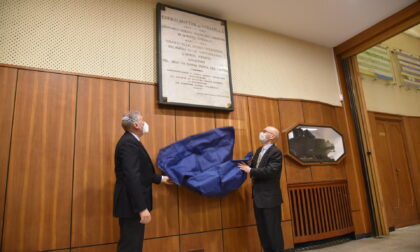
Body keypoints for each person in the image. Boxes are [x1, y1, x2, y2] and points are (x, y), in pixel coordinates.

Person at [113, 111, 171, 252]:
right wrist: (141, 208)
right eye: (143, 120)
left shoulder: (131, 141)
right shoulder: (128, 143)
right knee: (130, 247)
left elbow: (141, 174)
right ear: (136, 125)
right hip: (132, 205)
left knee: (134, 245)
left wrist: (162, 179)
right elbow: (132, 177)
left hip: (132, 204)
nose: (145, 123)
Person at [238, 126, 284, 252]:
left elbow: (272, 171)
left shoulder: (276, 152)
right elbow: (253, 166)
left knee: (273, 230)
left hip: (270, 198)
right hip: (258, 197)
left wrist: (250, 170)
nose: (261, 133)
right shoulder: (259, 150)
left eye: (264, 131)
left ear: (272, 136)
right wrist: (244, 165)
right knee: (263, 230)